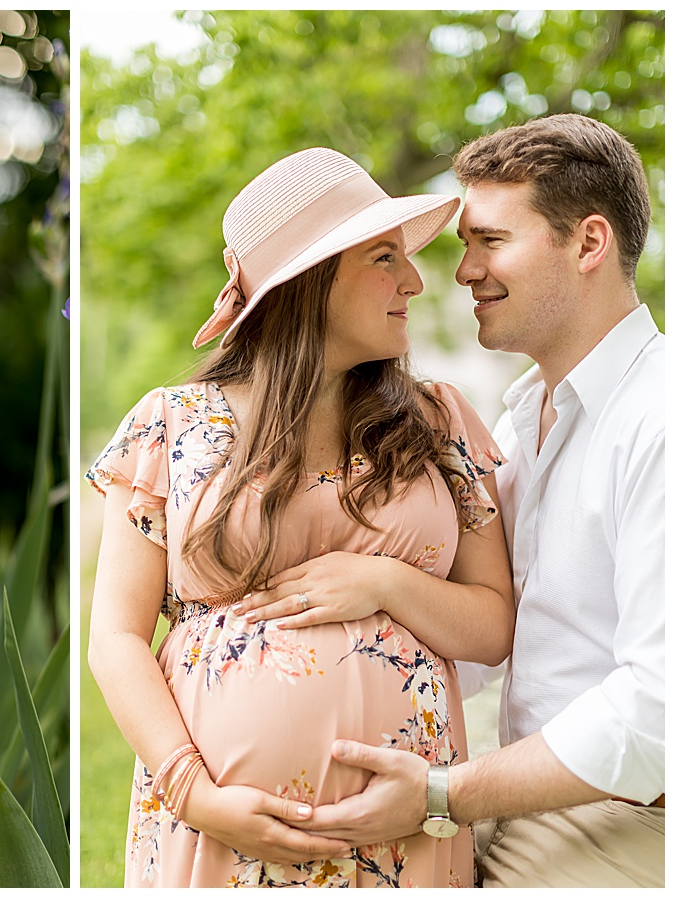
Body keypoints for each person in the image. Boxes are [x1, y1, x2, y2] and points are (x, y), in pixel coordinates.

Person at [85, 147, 515, 887]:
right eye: (384, 257)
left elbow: (493, 626)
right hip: (218, 832)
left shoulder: (438, 422)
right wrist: (195, 793)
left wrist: (385, 581)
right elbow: (115, 639)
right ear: (306, 283)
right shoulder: (172, 428)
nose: (414, 280)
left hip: (404, 836)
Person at [289, 114, 664, 888]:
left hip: (627, 817)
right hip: (522, 793)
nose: (461, 272)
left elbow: (658, 711)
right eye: (466, 244)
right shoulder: (522, 421)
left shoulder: (658, 418)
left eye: (490, 240)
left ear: (589, 244)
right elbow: (485, 639)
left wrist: (438, 795)